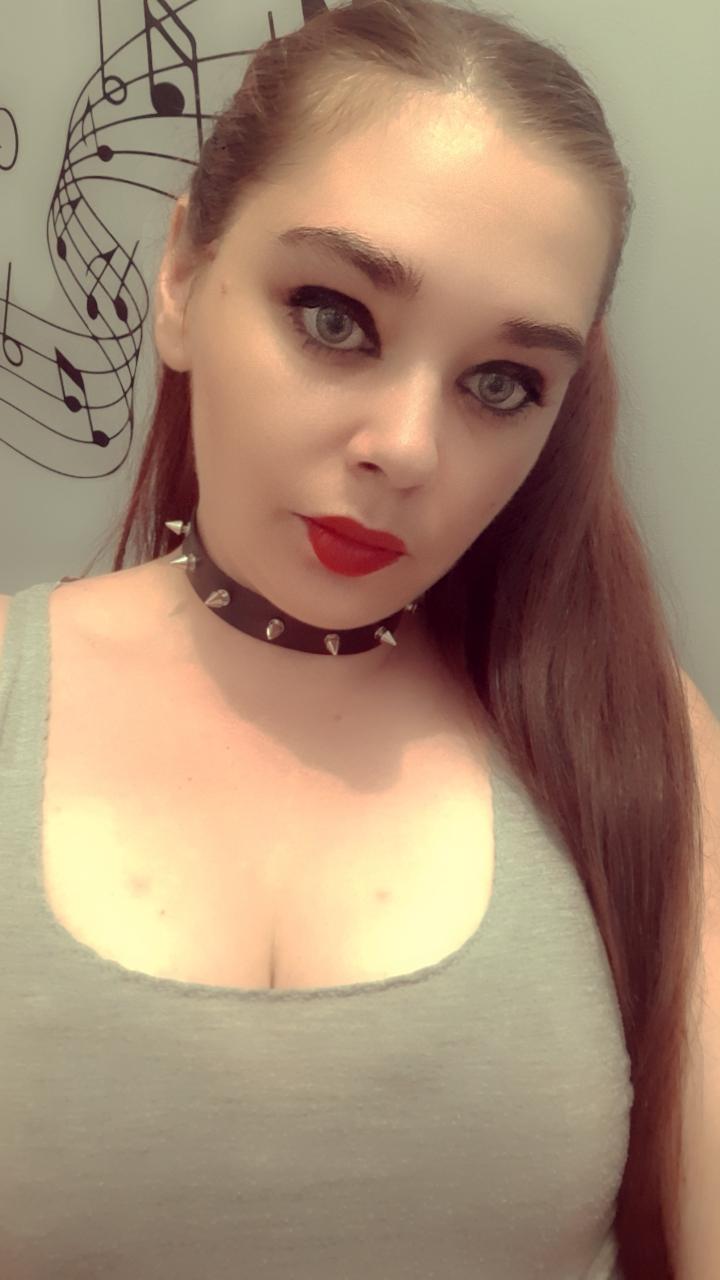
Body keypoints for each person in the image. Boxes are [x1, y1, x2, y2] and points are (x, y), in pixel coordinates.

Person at [0, 4, 707, 1278]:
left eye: (501, 383)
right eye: (334, 317)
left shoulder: (639, 745)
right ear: (181, 278)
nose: (409, 448)